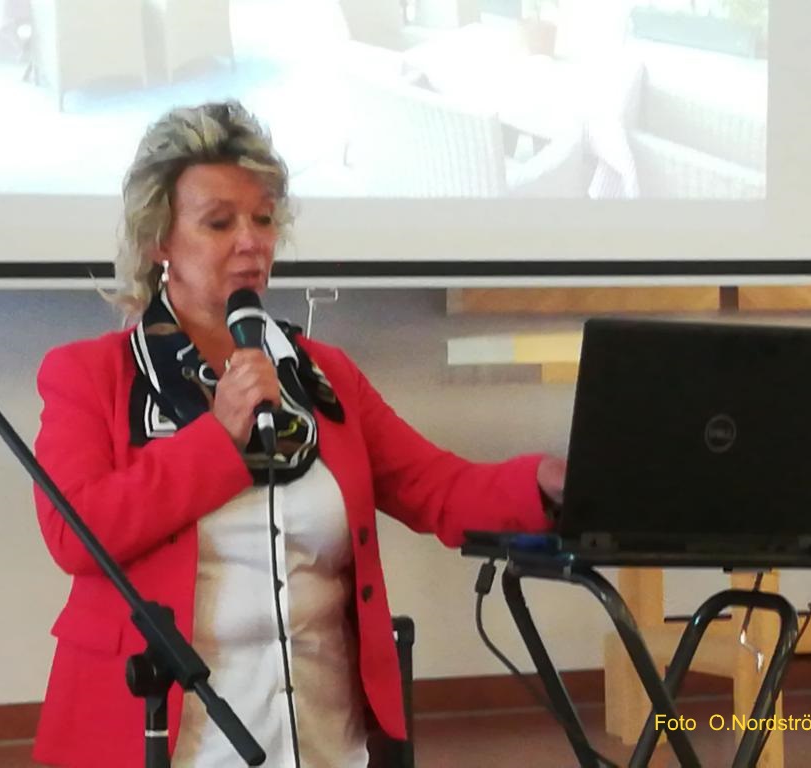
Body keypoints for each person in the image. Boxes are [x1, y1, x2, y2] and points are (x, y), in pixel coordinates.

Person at [30, 101, 565, 768]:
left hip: (323, 738)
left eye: (263, 219)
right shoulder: (90, 375)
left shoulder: (323, 375)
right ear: (159, 240)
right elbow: (74, 533)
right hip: (168, 742)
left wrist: (542, 482)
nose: (252, 241)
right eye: (219, 222)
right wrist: (219, 436)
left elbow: (434, 486)